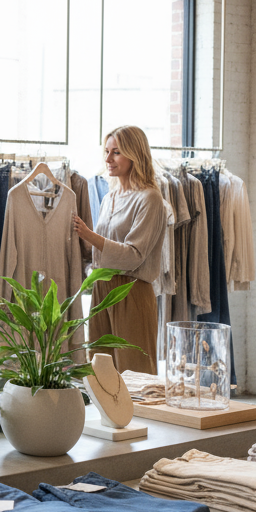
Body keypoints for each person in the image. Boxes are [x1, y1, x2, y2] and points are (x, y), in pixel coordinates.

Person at [73, 125, 167, 374]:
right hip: (102, 288)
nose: (108, 159)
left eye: (116, 152)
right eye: (107, 151)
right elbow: (100, 252)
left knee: (134, 371)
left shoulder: (150, 199)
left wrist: (89, 235)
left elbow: (134, 255)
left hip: (131, 291)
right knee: (100, 368)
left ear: (135, 154)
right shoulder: (109, 198)